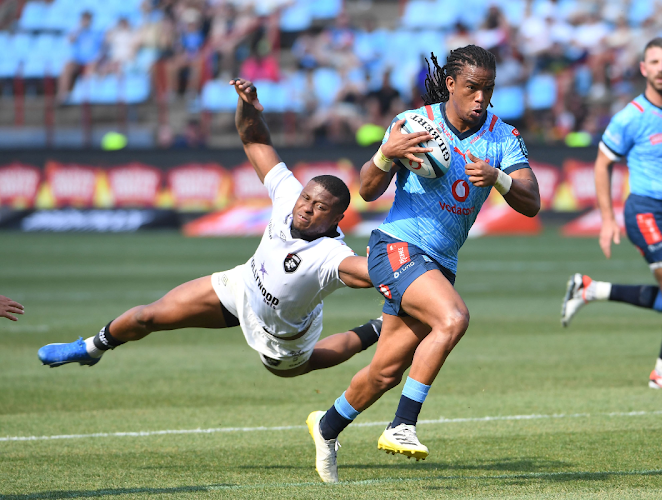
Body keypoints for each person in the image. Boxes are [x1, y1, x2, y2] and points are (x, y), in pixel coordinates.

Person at [38, 78, 382, 378]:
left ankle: (376, 330)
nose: (306, 207)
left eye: (320, 207)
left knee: (303, 366)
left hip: (283, 334)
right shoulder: (288, 195)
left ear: (337, 219)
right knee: (148, 315)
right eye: (307, 198)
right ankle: (90, 348)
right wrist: (248, 108)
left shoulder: (330, 255)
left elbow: (372, 273)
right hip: (243, 284)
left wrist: (404, 268)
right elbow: (254, 141)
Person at [306, 45, 541, 483]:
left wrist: (500, 179)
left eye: (488, 90)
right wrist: (386, 154)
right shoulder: (415, 124)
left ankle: (326, 428)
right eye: (472, 88)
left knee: (386, 371)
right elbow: (368, 190)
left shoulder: (503, 137)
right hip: (395, 247)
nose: (480, 99)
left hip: (439, 264)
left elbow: (532, 202)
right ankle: (402, 424)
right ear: (451, 84)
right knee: (452, 319)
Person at [560, 38, 662, 391]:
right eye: (654, 62)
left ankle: (590, 290)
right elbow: (602, 164)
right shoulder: (632, 117)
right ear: (643, 68)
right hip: (646, 212)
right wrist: (608, 219)